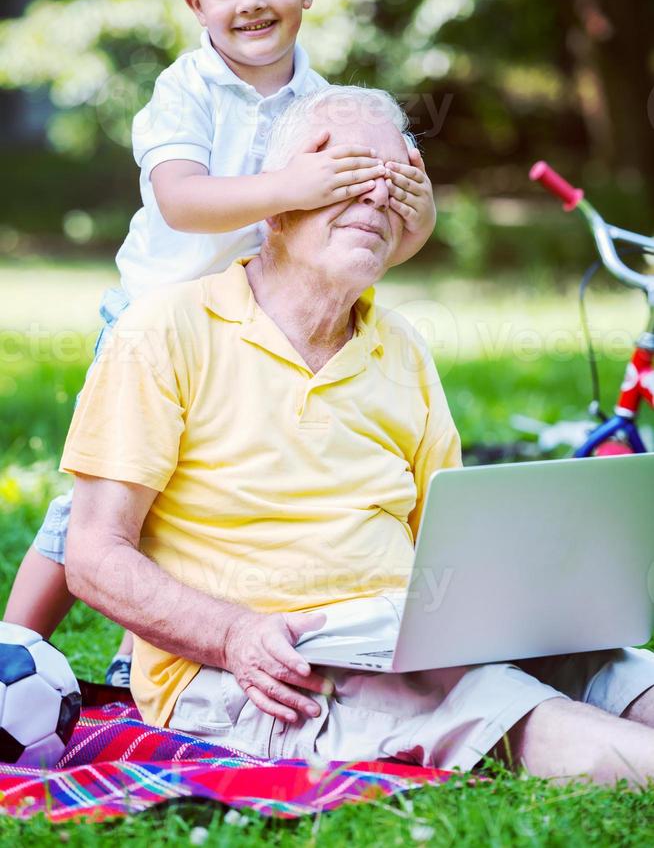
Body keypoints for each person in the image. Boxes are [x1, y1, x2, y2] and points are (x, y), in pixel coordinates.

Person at [63, 86, 654, 785]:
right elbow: (93, 555)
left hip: (400, 636)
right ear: (277, 200)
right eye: (346, 175)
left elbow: (452, 538)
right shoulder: (164, 332)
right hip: (263, 669)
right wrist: (234, 634)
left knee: (622, 671)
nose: (376, 198)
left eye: (395, 181)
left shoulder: (400, 346)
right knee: (490, 702)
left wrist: (523, 613)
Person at [3, 0, 436, 687]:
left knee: (208, 491)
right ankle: (12, 652)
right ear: (194, 3)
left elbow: (374, 239)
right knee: (94, 512)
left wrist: (416, 207)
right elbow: (182, 199)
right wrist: (291, 184)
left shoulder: (324, 103)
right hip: (156, 319)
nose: (250, 4)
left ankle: (151, 649)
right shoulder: (187, 90)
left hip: (258, 327)